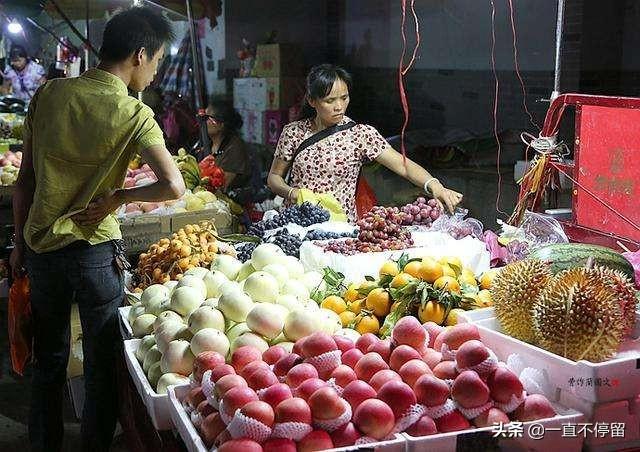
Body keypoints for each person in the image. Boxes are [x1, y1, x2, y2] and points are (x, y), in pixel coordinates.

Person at [10, 7, 185, 452]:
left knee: (47, 360)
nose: (156, 70)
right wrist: (118, 199)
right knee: (101, 364)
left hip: (43, 248)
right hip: (94, 253)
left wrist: (17, 245)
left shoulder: (49, 95)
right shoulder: (133, 112)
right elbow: (173, 185)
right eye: (158, 60)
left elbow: (24, 180)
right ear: (140, 54)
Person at [268, 64, 463, 222]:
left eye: (344, 98)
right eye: (329, 101)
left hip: (339, 227)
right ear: (312, 101)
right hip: (295, 222)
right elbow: (274, 178)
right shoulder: (293, 133)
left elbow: (403, 166)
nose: (339, 106)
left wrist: (435, 186)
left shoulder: (360, 135)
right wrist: (294, 193)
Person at [201, 99, 251, 191]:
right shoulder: (206, 145)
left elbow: (221, 186)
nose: (203, 122)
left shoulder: (235, 148)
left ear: (221, 124)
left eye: (207, 118)